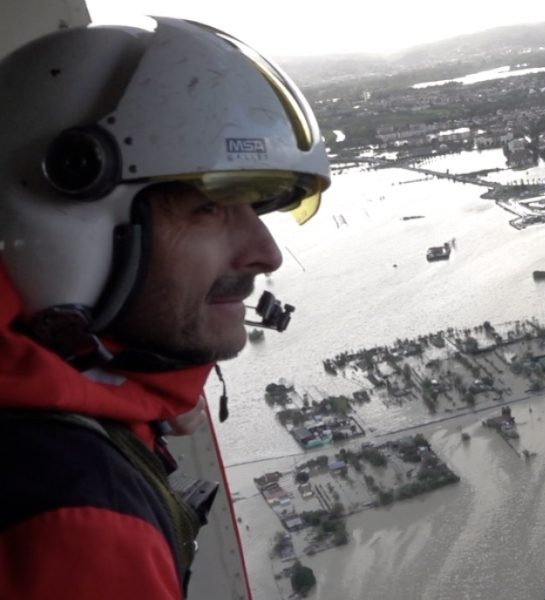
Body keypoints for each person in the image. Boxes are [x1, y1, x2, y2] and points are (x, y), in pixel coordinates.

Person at [0, 17, 330, 599]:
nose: (267, 254)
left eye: (257, 209)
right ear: (72, 227)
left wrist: (139, 401)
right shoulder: (81, 526)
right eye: (206, 209)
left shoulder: (56, 416)